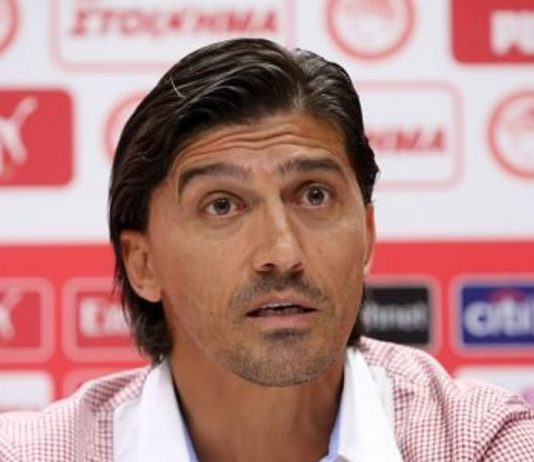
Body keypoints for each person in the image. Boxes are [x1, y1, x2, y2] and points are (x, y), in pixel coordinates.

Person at [1, 38, 533, 462]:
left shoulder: (480, 443)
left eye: (314, 195)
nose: (282, 252)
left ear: (368, 233)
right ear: (143, 264)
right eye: (222, 206)